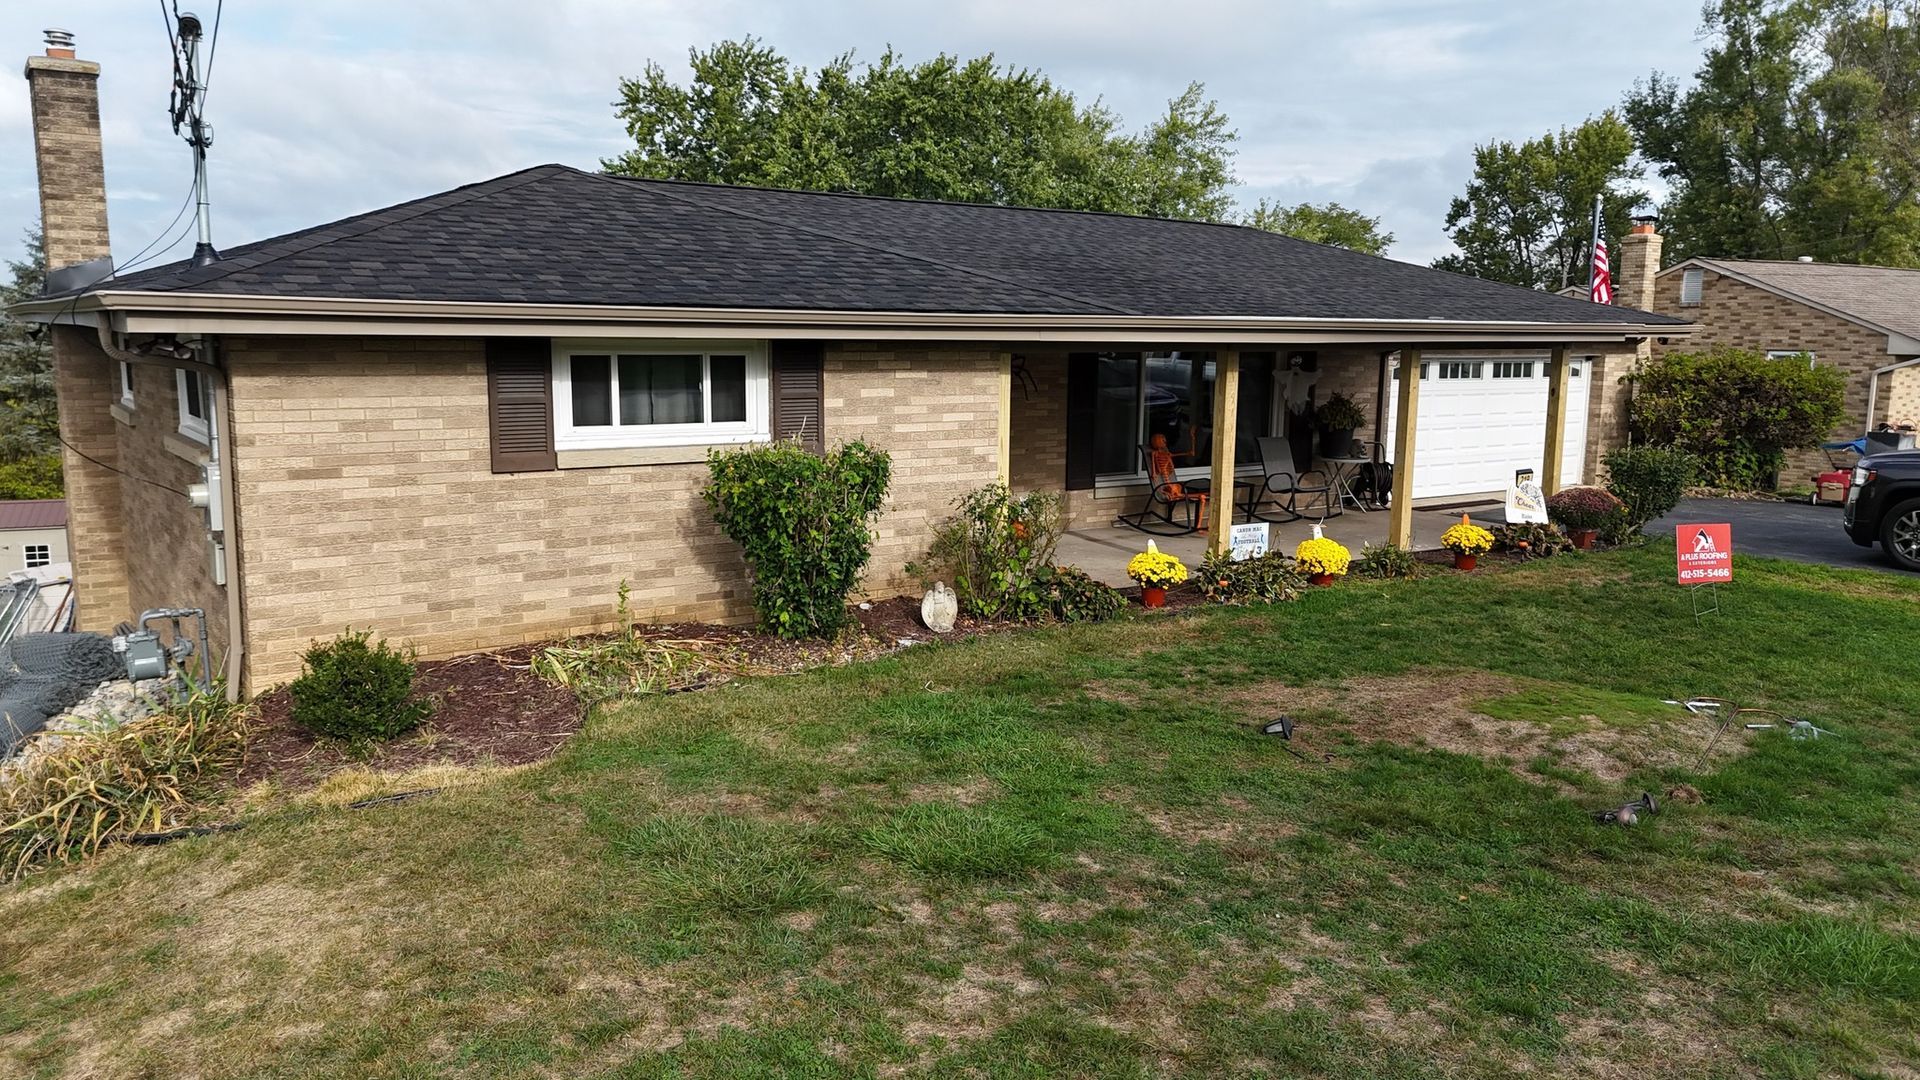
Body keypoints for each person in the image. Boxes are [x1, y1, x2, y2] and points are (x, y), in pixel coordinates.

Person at [1146, 431, 1209, 531]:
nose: (1165, 441)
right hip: (1166, 487)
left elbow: (1190, 453)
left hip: (1174, 486)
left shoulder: (1167, 453)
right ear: (1157, 442)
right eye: (1163, 440)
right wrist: (1157, 471)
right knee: (1202, 497)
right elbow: (1155, 473)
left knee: (1208, 497)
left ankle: (1202, 525)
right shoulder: (1155, 454)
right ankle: (1198, 526)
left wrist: (1192, 437)